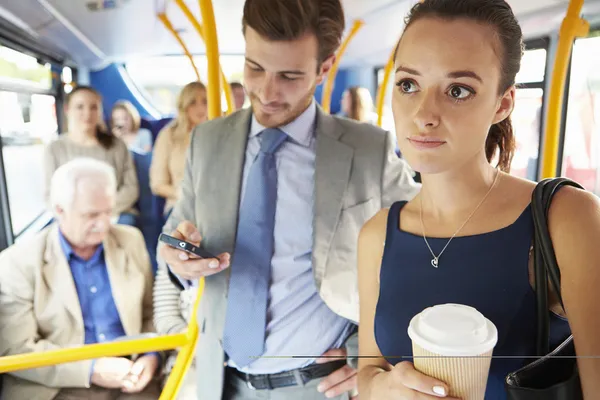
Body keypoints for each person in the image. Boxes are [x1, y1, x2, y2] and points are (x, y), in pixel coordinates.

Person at [158, 0, 420, 399]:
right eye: (255, 68)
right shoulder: (207, 142)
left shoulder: (369, 150)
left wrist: (375, 354)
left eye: (290, 76)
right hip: (219, 381)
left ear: (324, 68)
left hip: (319, 386)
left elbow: (430, 253)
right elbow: (174, 232)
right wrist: (178, 256)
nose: (266, 92)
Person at [356, 1, 600, 399]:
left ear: (503, 104)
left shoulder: (565, 217)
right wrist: (385, 388)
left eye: (458, 90)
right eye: (408, 84)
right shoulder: (377, 234)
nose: (423, 114)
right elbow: (368, 373)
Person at [0, 158, 161, 400]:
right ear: (59, 210)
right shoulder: (17, 262)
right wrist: (91, 368)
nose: (104, 224)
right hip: (58, 386)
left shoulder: (130, 241)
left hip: (132, 379)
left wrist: (152, 356)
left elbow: (151, 313)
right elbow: (17, 348)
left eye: (110, 211)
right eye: (91, 215)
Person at [44, 86, 140, 227]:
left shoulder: (117, 146)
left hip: (114, 213)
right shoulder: (54, 149)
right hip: (73, 217)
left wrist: (101, 212)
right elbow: (51, 195)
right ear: (67, 110)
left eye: (93, 107)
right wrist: (79, 215)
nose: (87, 113)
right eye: (80, 107)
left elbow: (131, 188)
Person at [150, 81, 207, 216]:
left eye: (205, 102)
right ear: (184, 106)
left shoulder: (219, 134)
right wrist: (180, 193)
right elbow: (157, 184)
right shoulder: (169, 135)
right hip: (179, 205)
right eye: (193, 102)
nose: (201, 108)